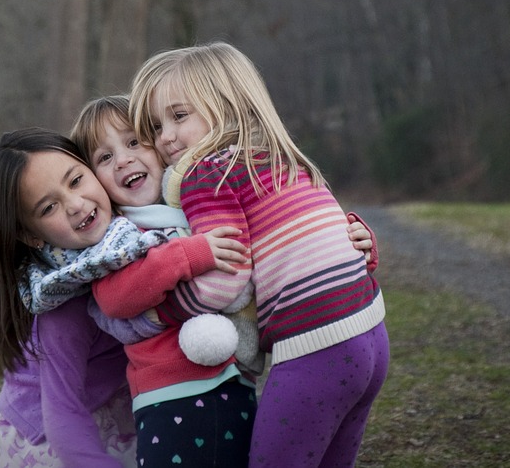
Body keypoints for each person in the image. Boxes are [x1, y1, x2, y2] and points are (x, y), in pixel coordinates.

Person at [68, 95, 380, 468]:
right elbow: (114, 295)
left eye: (134, 142)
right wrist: (189, 254)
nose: (123, 160)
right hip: (171, 392)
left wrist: (357, 240)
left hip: (237, 381)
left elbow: (280, 234)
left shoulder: (197, 200)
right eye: (104, 158)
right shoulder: (119, 235)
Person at [0, 127, 246, 468]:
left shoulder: (127, 239)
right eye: (48, 207)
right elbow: (62, 415)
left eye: (75, 181)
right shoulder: (63, 301)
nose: (75, 204)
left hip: (117, 403)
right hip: (51, 441)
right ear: (30, 235)